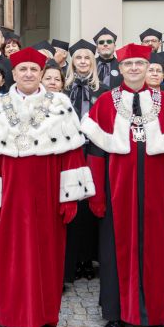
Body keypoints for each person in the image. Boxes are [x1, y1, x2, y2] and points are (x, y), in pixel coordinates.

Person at [0, 47, 94, 327]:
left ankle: (47, 320)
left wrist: (69, 198)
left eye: (33, 69)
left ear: (41, 73)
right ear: (12, 74)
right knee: (8, 259)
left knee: (48, 259)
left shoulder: (60, 104)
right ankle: (9, 320)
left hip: (49, 196)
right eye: (22, 69)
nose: (28, 74)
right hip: (10, 197)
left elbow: (72, 155)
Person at [81, 43, 164, 327]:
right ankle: (115, 315)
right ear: (119, 68)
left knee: (156, 254)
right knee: (115, 253)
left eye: (139, 64)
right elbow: (94, 154)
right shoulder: (105, 103)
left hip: (156, 194)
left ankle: (155, 317)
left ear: (148, 68)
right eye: (128, 64)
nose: (133, 69)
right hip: (117, 193)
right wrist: (97, 196)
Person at [63, 39, 106, 282]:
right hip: (71, 151)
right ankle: (74, 257)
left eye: (86, 58)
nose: (82, 62)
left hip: (94, 151)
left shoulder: (102, 91)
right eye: (78, 58)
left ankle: (88, 259)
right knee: (74, 205)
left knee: (91, 204)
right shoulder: (63, 91)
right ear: (72, 62)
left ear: (92, 62)